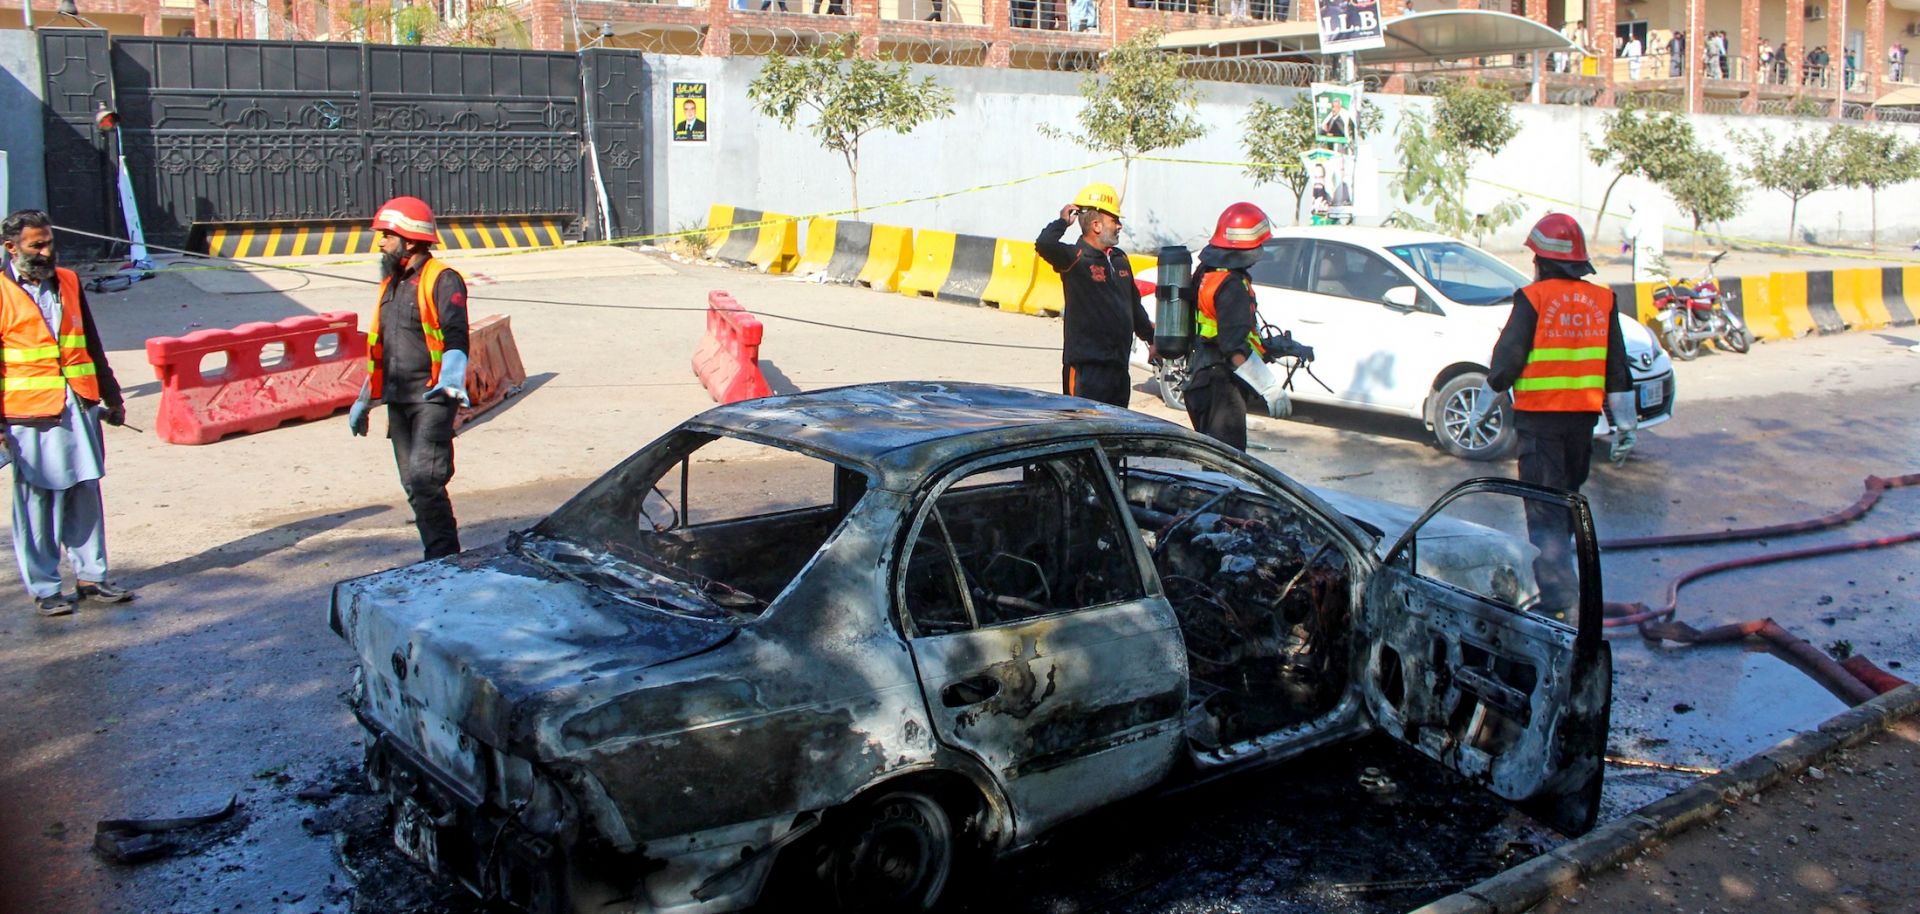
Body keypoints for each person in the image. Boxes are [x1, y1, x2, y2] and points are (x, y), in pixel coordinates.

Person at [1473, 213, 1634, 612]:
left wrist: (1479, 411)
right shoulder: (1603, 300)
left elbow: (1505, 364)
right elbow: (1617, 368)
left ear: (1541, 261)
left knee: (1544, 513)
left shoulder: (1534, 298)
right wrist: (1625, 425)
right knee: (1566, 503)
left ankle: (1561, 601)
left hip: (1540, 424)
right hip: (1582, 425)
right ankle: (1568, 587)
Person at [0, 209, 133, 616]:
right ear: (11, 247)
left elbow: (91, 343)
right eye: (36, 245)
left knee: (85, 490)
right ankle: (45, 587)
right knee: (38, 501)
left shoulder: (69, 281)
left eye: (49, 243)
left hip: (79, 404)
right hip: (28, 414)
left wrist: (112, 397)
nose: (45, 251)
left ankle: (92, 576)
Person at [347, 197, 472, 560]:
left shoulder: (442, 278)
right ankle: (438, 555)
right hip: (398, 400)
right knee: (413, 486)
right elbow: (382, 347)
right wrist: (365, 399)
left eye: (387, 235)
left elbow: (455, 335)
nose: (381, 242)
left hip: (433, 397)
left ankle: (443, 560)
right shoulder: (391, 284)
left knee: (425, 477)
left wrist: (451, 378)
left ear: (412, 239)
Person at [1183, 203, 1291, 451]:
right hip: (1220, 388)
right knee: (1225, 470)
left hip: (1200, 380)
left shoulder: (1207, 272)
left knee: (1213, 463)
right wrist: (1269, 387)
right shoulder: (1231, 285)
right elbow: (1232, 348)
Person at [1036, 183, 1152, 409]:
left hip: (1118, 370)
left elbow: (1133, 306)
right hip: (1086, 371)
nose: (1119, 226)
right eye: (1114, 220)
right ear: (1096, 225)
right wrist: (1062, 222)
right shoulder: (1073, 257)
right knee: (1082, 431)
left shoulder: (1120, 259)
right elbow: (1044, 244)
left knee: (1116, 434)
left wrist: (1151, 338)